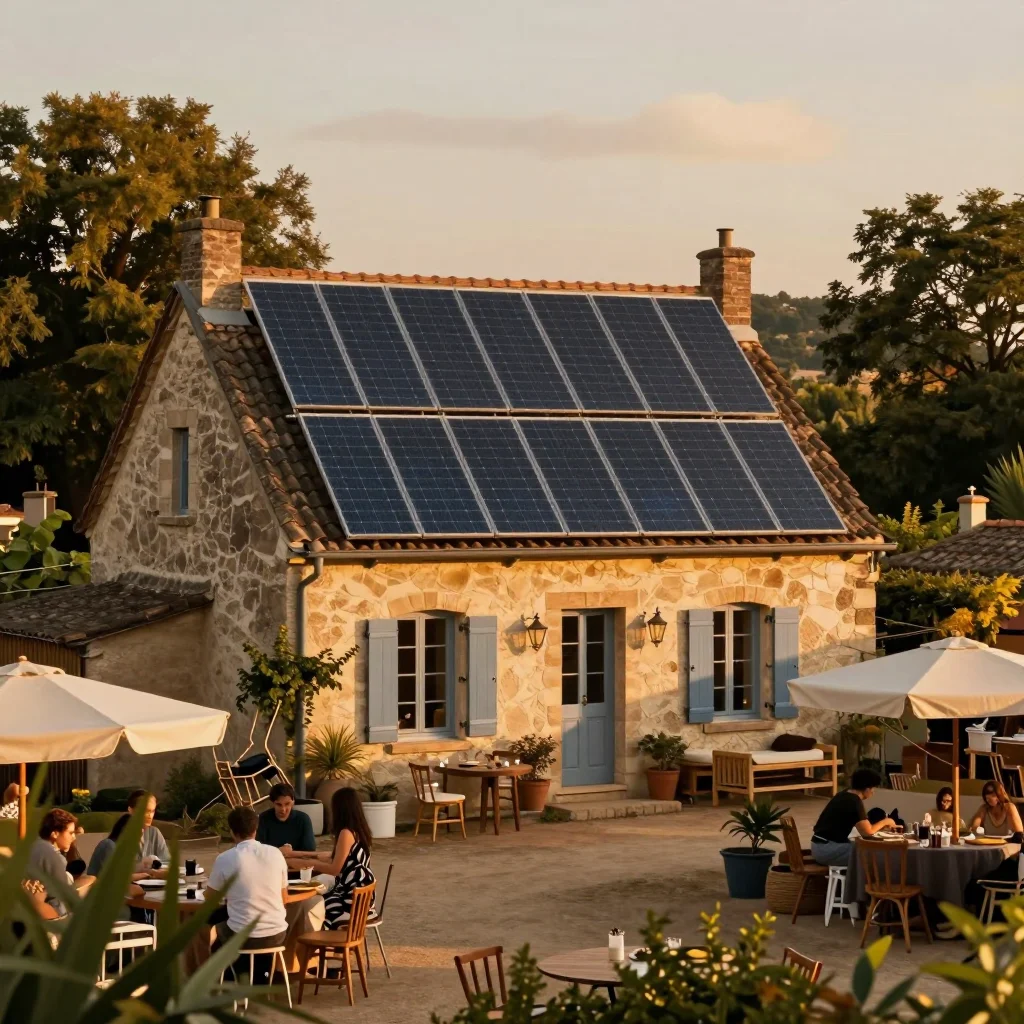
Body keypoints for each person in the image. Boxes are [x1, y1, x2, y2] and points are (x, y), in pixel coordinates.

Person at [206, 806, 289, 953]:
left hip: (241, 936)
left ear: (232, 831)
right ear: (255, 829)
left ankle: (210, 967)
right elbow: (284, 898)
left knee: (208, 925)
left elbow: (211, 898)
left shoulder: (225, 858)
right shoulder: (276, 853)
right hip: (277, 934)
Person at [289, 788, 374, 929]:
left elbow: (334, 869)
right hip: (360, 897)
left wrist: (308, 863)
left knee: (310, 902)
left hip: (349, 902)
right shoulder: (359, 830)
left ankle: (311, 940)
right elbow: (333, 856)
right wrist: (295, 855)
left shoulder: (346, 833)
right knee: (317, 893)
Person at [810, 768, 896, 867]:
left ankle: (858, 877)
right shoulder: (854, 801)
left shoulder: (843, 794)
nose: (873, 792)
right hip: (827, 850)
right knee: (875, 853)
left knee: (862, 847)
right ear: (867, 789)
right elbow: (867, 832)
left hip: (819, 846)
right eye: (873, 788)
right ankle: (871, 877)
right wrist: (886, 821)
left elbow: (862, 827)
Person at [87, 790, 169, 879]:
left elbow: (166, 862)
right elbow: (116, 877)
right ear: (130, 810)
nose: (150, 815)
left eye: (152, 811)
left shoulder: (154, 833)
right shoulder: (109, 845)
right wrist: (149, 871)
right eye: (145, 811)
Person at [27, 808, 79, 916]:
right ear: (55, 833)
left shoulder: (33, 846)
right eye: (70, 833)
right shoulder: (53, 856)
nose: (73, 837)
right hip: (50, 914)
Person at [256, 783, 316, 854]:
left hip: (297, 859)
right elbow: (258, 849)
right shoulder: (263, 819)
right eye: (279, 804)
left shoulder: (303, 819)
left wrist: (288, 853)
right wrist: (279, 851)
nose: (283, 809)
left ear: (293, 802)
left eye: (287, 804)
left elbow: (310, 850)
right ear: (272, 803)